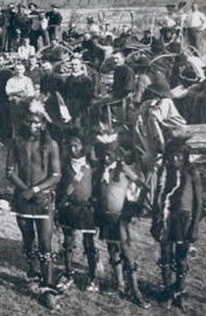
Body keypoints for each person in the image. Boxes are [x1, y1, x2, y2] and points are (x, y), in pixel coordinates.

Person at [6, 109, 62, 308]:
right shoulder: (16, 142)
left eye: (37, 122)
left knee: (45, 244)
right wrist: (26, 190)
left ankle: (48, 286)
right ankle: (33, 274)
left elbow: (56, 175)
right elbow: (10, 171)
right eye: (29, 122)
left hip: (43, 199)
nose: (32, 126)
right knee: (28, 242)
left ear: (43, 124)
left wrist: (36, 189)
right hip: (23, 198)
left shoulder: (51, 144)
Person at [92, 128, 151, 308]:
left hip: (120, 218)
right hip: (105, 217)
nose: (106, 158)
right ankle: (119, 284)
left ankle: (135, 290)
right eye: (103, 155)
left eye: (109, 154)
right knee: (112, 249)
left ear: (116, 154)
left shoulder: (123, 168)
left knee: (126, 253)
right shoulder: (99, 170)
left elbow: (142, 185)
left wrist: (135, 206)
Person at [150, 137, 202, 310]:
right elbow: (157, 199)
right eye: (172, 155)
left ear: (185, 155)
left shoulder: (192, 171)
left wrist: (194, 227)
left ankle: (179, 290)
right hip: (165, 218)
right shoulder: (163, 172)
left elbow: (199, 203)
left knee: (181, 257)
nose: (175, 159)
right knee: (165, 254)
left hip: (184, 221)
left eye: (179, 155)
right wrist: (154, 222)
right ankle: (167, 290)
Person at [55, 133, 100, 293]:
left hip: (87, 209)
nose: (73, 149)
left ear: (84, 146)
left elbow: (97, 187)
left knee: (89, 243)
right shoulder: (64, 163)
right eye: (71, 146)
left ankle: (93, 276)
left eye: (77, 145)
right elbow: (60, 186)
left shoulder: (92, 165)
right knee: (68, 242)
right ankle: (67, 274)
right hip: (68, 207)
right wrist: (59, 204)